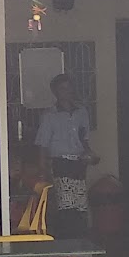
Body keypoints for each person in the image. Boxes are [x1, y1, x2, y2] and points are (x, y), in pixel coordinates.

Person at [33, 73, 97, 238]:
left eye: (69, 88)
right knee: (66, 205)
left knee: (81, 205)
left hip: (79, 164)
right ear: (55, 92)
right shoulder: (49, 116)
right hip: (60, 164)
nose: (66, 92)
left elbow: (84, 139)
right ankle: (68, 240)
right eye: (62, 89)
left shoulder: (81, 112)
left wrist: (89, 155)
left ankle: (81, 240)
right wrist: (43, 171)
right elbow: (42, 145)